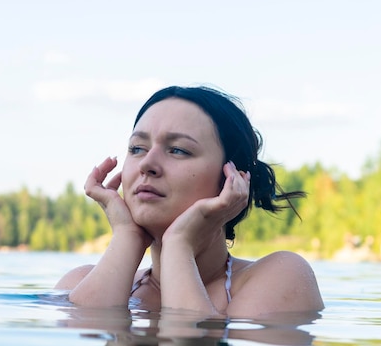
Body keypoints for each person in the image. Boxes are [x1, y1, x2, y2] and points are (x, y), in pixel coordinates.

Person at [55, 85, 324, 318]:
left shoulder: (279, 278)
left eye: (178, 150)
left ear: (231, 178)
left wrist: (179, 243)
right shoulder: (78, 283)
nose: (147, 164)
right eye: (137, 148)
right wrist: (127, 237)